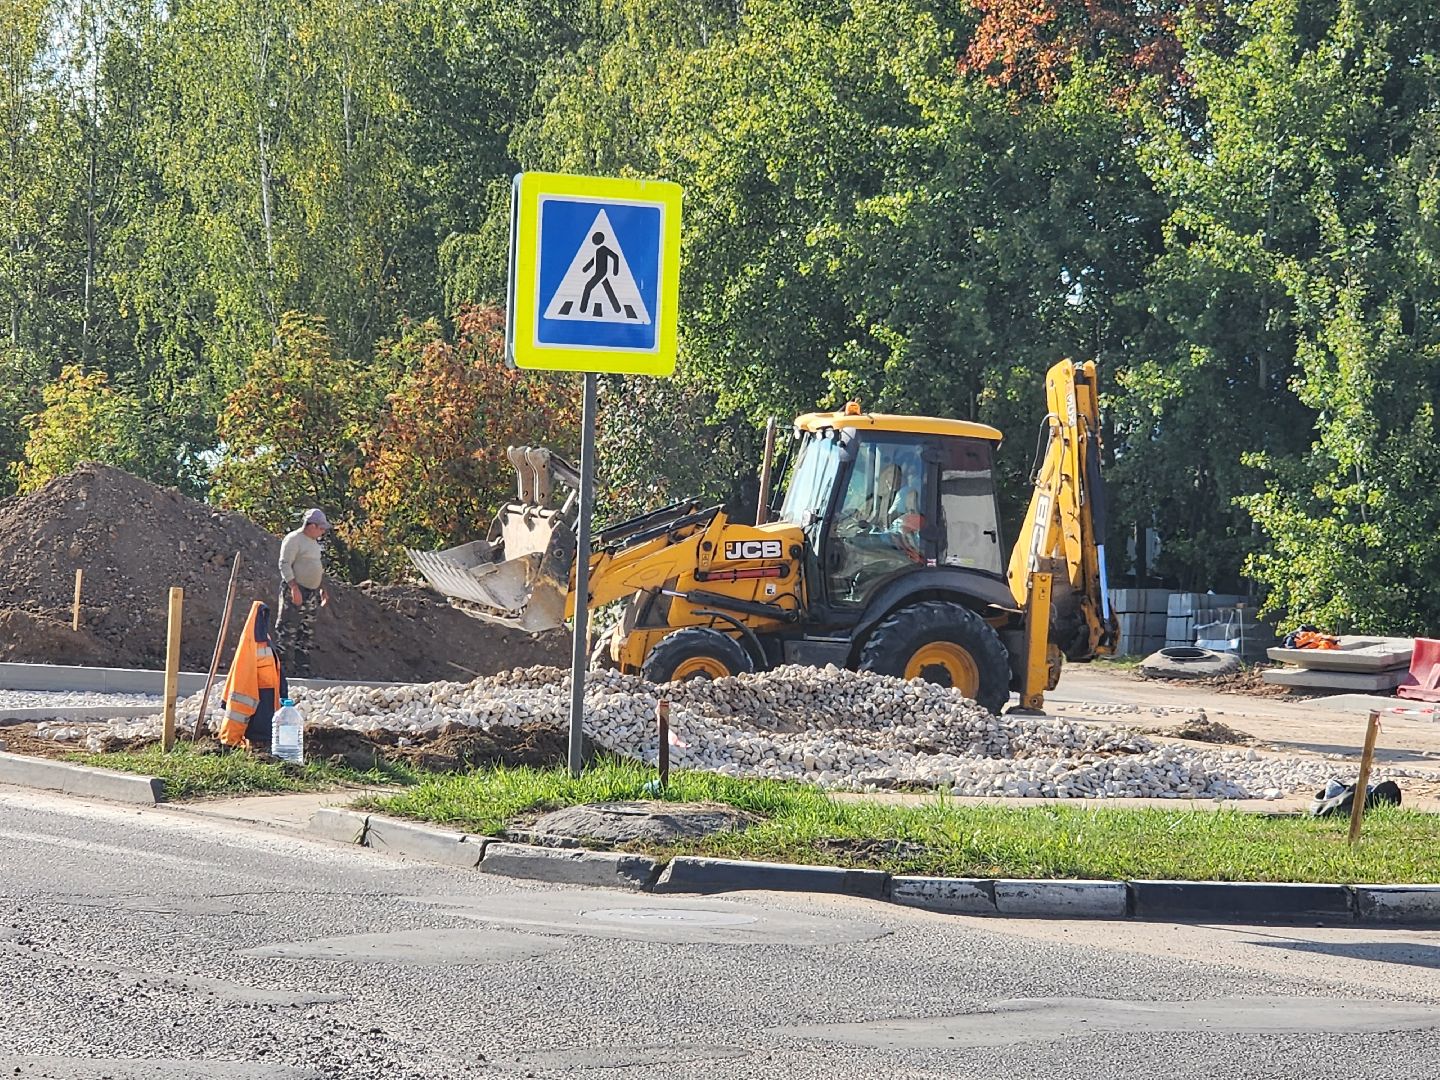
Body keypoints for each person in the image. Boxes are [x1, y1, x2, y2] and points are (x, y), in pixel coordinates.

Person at [274, 508, 330, 677]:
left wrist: (322, 588)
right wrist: (293, 588)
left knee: (307, 631)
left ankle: (302, 670)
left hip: (311, 593)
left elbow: (316, 567)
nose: (323, 531)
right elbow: (284, 564)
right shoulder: (294, 539)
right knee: (287, 629)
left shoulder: (314, 543)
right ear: (312, 525)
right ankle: (281, 671)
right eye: (321, 528)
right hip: (296, 589)